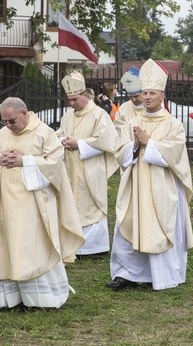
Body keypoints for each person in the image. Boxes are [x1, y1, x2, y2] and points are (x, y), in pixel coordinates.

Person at [0, 97, 84, 310]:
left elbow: (55, 163)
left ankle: (42, 300)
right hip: (4, 203)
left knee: (32, 248)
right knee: (6, 246)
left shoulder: (44, 133)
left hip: (33, 204)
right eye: (5, 122)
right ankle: (12, 300)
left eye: (12, 121)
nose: (8, 126)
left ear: (25, 113)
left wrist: (25, 161)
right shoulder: (2, 134)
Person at [107, 58, 193, 290]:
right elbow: (120, 150)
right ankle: (127, 273)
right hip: (135, 183)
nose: (146, 97)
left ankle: (161, 275)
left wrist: (149, 143)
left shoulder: (173, 124)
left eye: (151, 93)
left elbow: (174, 154)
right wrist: (134, 145)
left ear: (162, 96)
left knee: (159, 225)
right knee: (129, 222)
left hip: (161, 186)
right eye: (144, 93)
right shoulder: (132, 121)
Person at [56, 71, 120, 257]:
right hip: (70, 166)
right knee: (71, 202)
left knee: (91, 204)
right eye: (69, 100)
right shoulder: (68, 117)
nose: (71, 103)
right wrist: (64, 141)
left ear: (85, 95)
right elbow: (60, 133)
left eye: (75, 99)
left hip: (91, 167)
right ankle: (73, 244)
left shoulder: (99, 114)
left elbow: (108, 140)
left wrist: (80, 144)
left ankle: (94, 247)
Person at [114, 66, 145, 135]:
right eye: (130, 97)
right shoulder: (123, 107)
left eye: (136, 96)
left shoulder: (151, 106)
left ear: (143, 93)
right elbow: (117, 127)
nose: (133, 99)